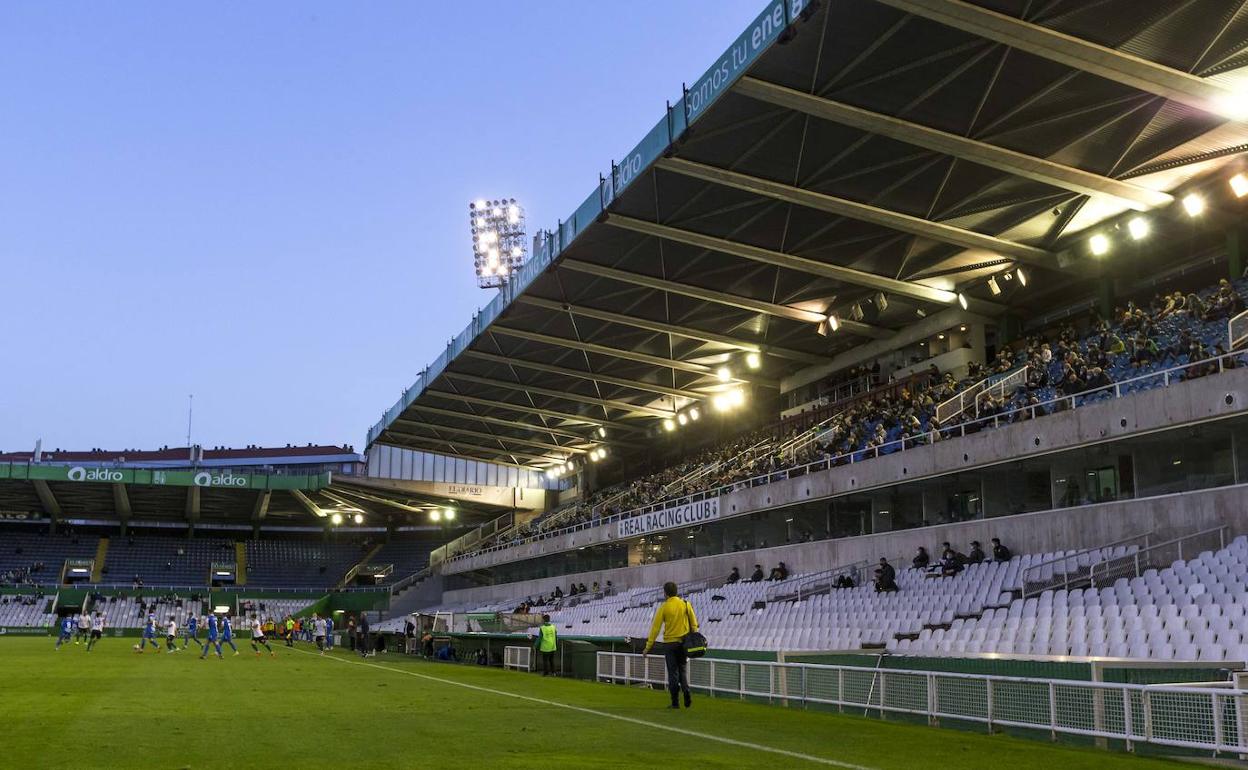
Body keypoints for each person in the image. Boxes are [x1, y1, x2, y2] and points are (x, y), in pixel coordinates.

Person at [643, 582, 699, 710]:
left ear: (665, 593)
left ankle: (675, 702)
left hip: (669, 644)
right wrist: (694, 639)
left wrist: (648, 646)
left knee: (673, 673)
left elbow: (655, 628)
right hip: (683, 643)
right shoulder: (685, 604)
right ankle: (686, 691)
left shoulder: (664, 607)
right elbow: (694, 623)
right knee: (682, 670)